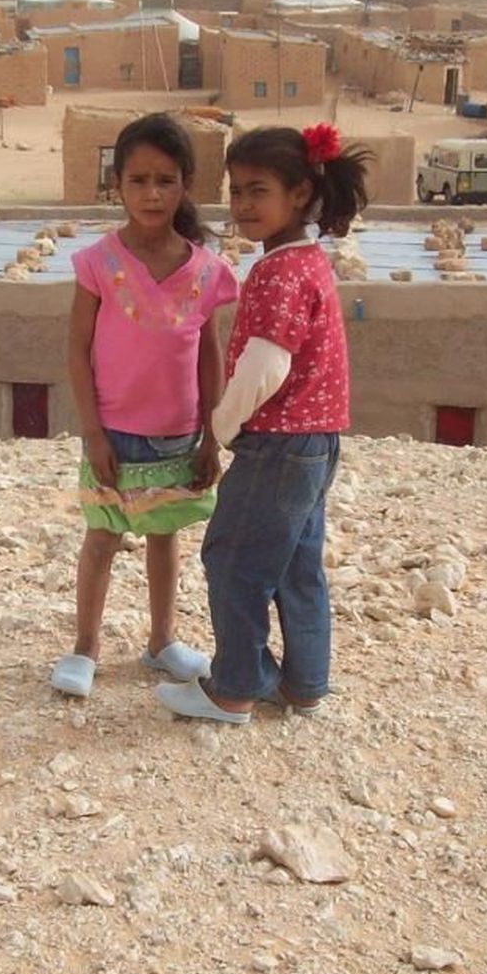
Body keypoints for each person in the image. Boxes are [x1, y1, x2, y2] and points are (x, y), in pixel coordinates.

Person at [156, 123, 371, 724]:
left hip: (278, 442)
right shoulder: (308, 261)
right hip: (317, 441)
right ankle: (304, 684)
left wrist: (219, 430)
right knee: (296, 564)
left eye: (258, 191)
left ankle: (233, 689)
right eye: (237, 191)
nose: (243, 205)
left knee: (234, 559)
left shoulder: (278, 272)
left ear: (299, 194)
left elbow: (265, 366)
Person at [50, 113, 240, 698]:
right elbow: (78, 352)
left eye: (166, 180)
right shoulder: (99, 265)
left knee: (165, 535)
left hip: (178, 433)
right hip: (115, 431)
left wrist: (212, 433)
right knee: (102, 538)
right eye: (138, 181)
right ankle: (85, 647)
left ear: (186, 184)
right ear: (117, 185)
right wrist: (94, 433)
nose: (152, 194)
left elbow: (208, 354)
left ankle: (162, 642)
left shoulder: (206, 272)